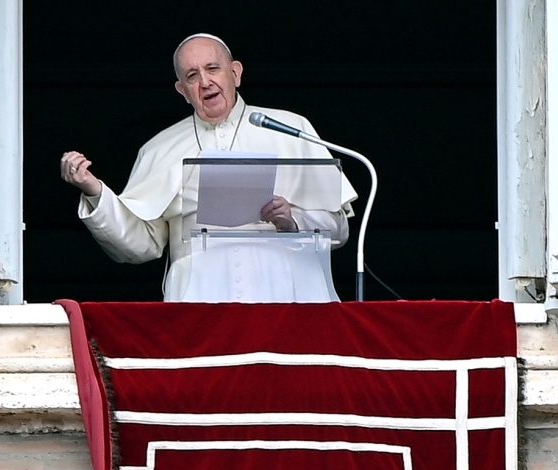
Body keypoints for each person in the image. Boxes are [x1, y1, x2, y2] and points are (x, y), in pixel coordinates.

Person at [60, 33, 357, 302]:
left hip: (287, 289)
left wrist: (291, 222)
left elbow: (338, 228)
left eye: (213, 69)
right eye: (192, 75)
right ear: (182, 90)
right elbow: (140, 245)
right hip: (199, 294)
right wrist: (95, 192)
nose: (205, 81)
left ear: (236, 73)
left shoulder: (292, 128)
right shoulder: (158, 148)